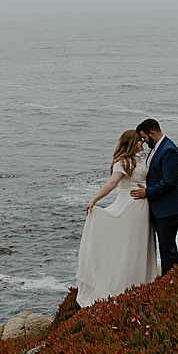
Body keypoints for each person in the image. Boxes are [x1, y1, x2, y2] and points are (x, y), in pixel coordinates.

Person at [75, 128, 160, 305]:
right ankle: (125, 285)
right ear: (131, 143)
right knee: (128, 245)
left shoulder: (139, 159)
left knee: (139, 244)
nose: (142, 143)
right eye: (139, 141)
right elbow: (112, 183)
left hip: (142, 207)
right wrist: (94, 200)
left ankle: (141, 283)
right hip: (128, 206)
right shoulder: (122, 162)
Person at [130, 119, 178, 275]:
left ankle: (171, 278)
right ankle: (176, 274)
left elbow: (169, 181)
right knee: (166, 245)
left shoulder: (168, 150)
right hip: (161, 206)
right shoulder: (157, 148)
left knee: (166, 247)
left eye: (144, 138)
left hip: (169, 207)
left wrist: (147, 192)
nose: (144, 142)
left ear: (152, 133)